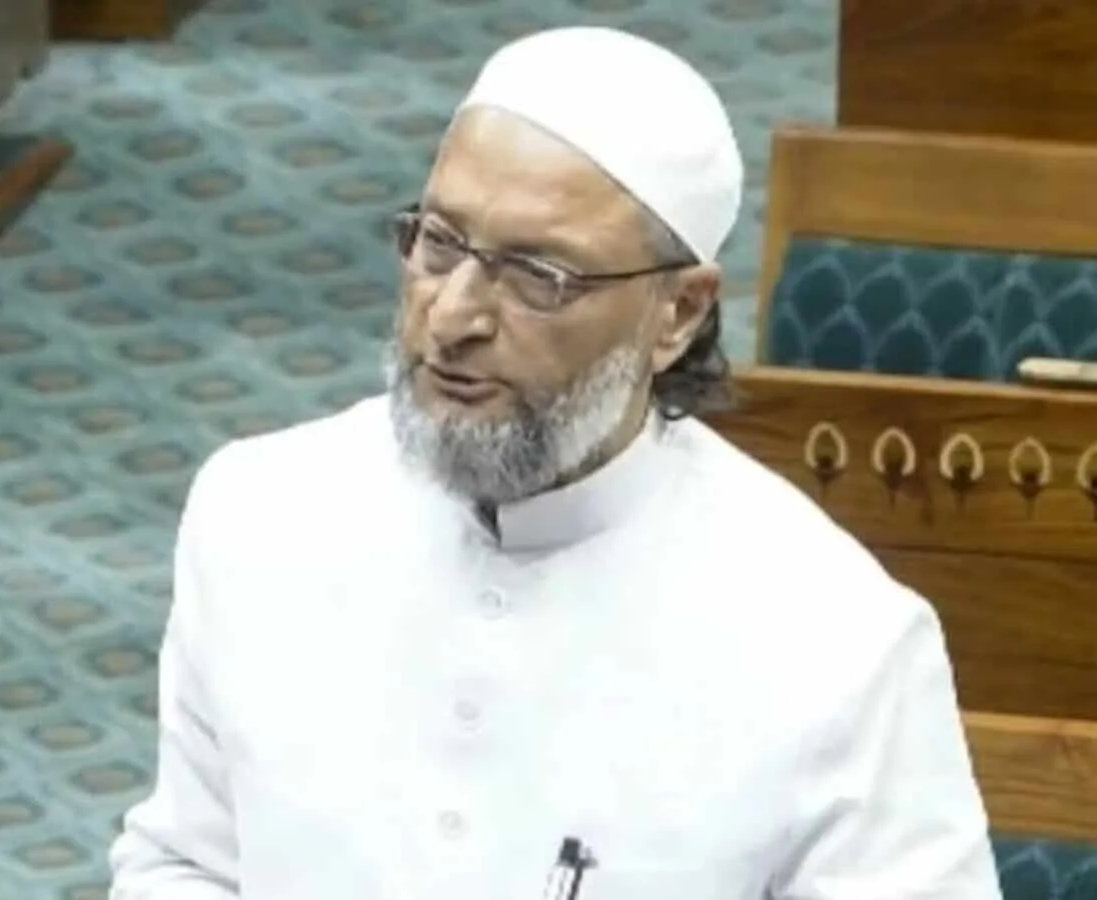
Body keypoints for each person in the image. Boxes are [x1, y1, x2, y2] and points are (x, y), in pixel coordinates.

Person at [108, 26, 1003, 900]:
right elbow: (186, 862)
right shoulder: (259, 512)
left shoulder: (835, 639)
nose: (453, 317)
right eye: (439, 244)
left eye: (540, 276)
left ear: (678, 314)